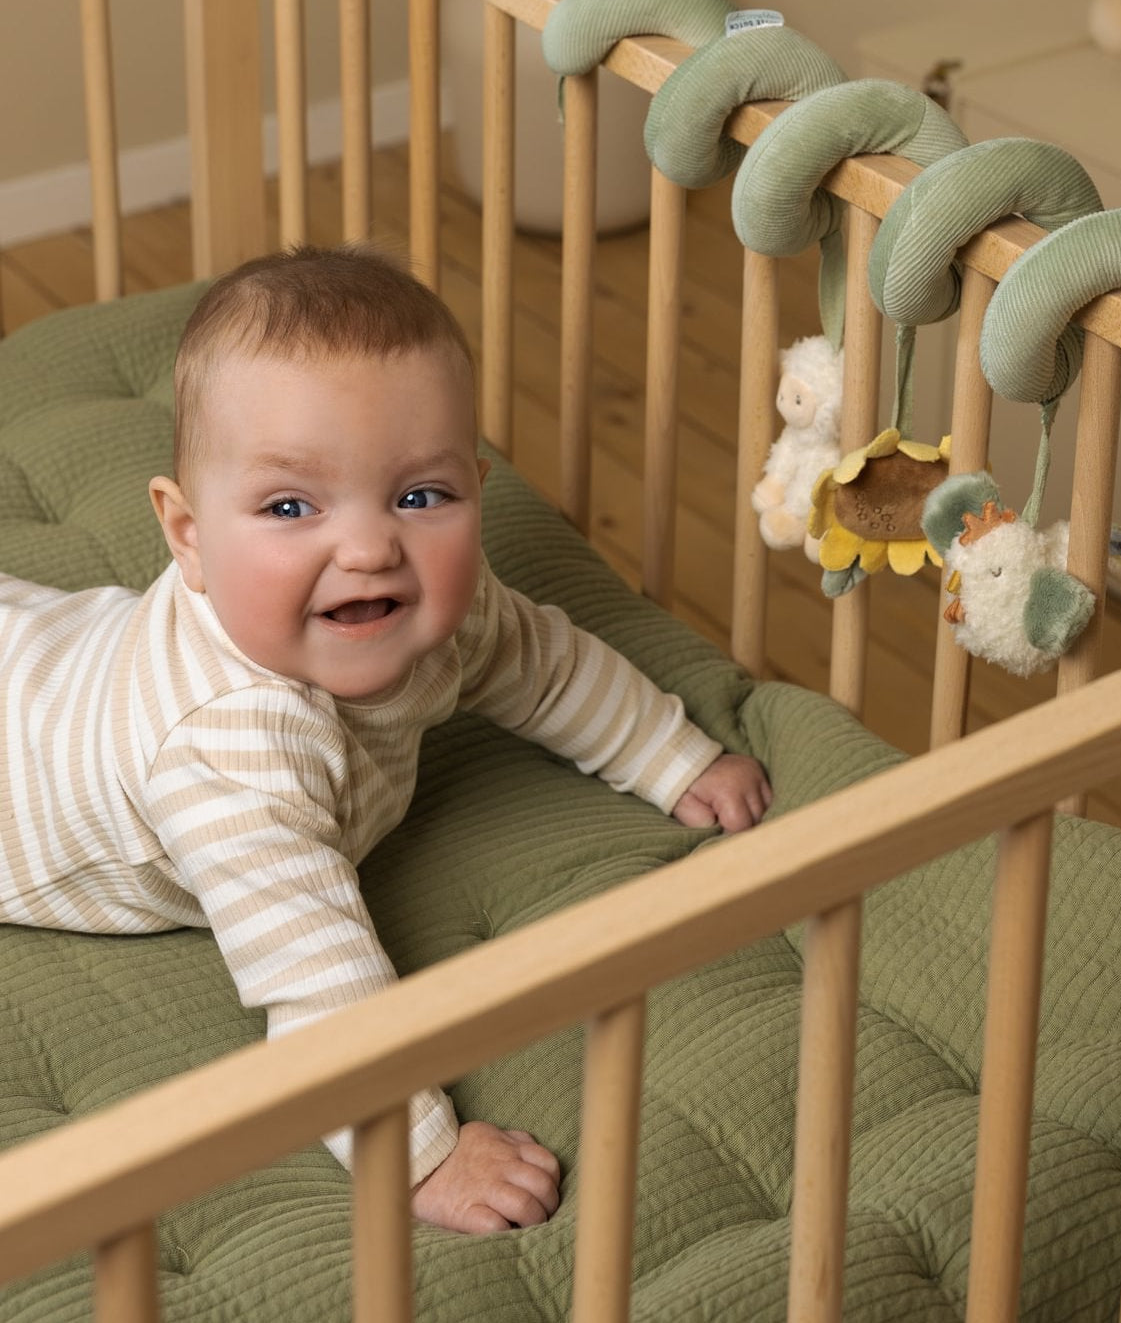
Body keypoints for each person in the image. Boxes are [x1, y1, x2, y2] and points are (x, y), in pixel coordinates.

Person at [0, 243, 772, 1235]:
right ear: (188, 537)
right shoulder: (231, 751)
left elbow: (546, 665)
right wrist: (422, 1156)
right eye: (290, 506)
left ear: (475, 494)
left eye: (420, 496)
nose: (370, 548)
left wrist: (674, 758)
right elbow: (318, 988)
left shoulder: (433, 610)